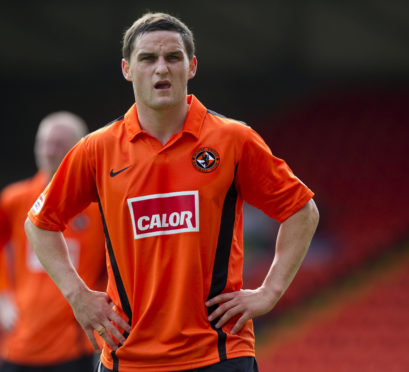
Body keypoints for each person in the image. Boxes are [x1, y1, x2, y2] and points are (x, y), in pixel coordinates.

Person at [24, 12, 319, 372]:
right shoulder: (96, 149)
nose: (161, 69)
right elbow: (40, 223)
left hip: (220, 352)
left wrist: (269, 292)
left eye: (173, 57)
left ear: (192, 66)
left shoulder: (233, 139)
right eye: (147, 58)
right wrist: (77, 294)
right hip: (128, 355)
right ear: (127, 69)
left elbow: (302, 211)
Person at [0, 112, 107, 372]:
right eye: (44, 142)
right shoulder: (15, 199)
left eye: (58, 143)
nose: (49, 150)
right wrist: (2, 295)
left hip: (75, 344)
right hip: (20, 341)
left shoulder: (98, 206)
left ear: (76, 149)